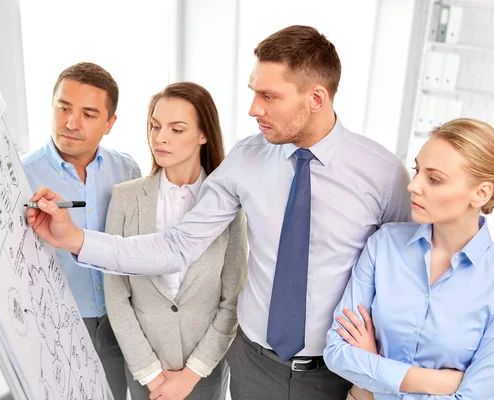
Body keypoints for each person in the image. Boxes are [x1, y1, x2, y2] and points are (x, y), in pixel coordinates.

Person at [26, 25, 412, 400]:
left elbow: (400, 282)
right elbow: (176, 246)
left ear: (316, 97)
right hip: (252, 366)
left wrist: (374, 377)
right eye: (252, 92)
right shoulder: (247, 158)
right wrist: (75, 239)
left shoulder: (382, 173)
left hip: (337, 372)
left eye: (269, 96)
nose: (252, 108)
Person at [323, 118, 494, 400]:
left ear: (480, 193)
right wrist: (435, 382)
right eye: (417, 170)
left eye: (434, 179)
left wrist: (375, 372)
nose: (414, 186)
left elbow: (475, 397)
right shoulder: (384, 244)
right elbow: (337, 352)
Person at [103, 82, 247, 400]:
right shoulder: (125, 198)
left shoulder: (231, 207)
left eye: (176, 129)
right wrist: (153, 376)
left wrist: (193, 373)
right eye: (155, 126)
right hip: (144, 370)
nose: (160, 137)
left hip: (204, 372)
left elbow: (232, 299)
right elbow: (116, 295)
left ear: (203, 134)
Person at [21, 62, 139, 400]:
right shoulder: (22, 176)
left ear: (109, 123)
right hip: (58, 325)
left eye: (88, 113)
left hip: (120, 318)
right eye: (63, 108)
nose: (71, 123)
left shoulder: (126, 168)